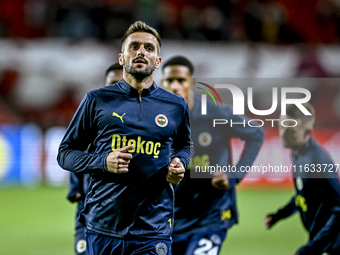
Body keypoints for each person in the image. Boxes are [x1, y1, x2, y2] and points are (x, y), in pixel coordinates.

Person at [58, 21, 193, 255]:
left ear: (157, 62)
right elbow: (65, 153)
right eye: (134, 46)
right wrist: (102, 162)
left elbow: (185, 145)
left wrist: (180, 162)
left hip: (154, 231)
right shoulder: (96, 100)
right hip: (104, 228)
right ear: (122, 58)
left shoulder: (176, 105)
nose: (141, 51)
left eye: (149, 48)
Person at [161, 56, 265, 255]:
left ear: (191, 82)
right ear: (161, 83)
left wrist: (234, 175)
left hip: (212, 215)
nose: (174, 86)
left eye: (180, 80)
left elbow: (256, 134)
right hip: (172, 219)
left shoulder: (215, 114)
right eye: (169, 81)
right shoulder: (158, 121)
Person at [264, 103, 340, 255]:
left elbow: (338, 209)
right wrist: (279, 215)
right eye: (281, 126)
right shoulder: (297, 152)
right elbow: (304, 193)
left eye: (291, 131)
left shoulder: (318, 161)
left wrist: (310, 249)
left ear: (308, 131)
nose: (283, 134)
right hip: (325, 242)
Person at [66, 62, 123, 255]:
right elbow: (72, 152)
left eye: (121, 83)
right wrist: (76, 187)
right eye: (112, 83)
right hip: (90, 212)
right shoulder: (93, 118)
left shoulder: (139, 125)